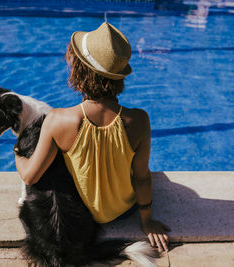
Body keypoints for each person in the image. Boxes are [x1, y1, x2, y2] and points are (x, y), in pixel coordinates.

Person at [14, 22, 170, 252]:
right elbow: (142, 178)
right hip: (124, 210)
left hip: (82, 213)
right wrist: (146, 221)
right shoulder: (138, 120)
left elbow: (29, 177)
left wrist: (18, 151)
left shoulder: (58, 120)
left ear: (78, 72)